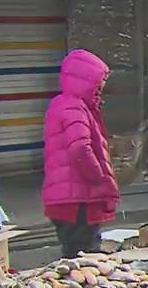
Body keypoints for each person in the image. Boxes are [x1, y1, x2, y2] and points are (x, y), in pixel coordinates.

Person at [42, 49, 121, 257]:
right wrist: (99, 178)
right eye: (101, 80)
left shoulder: (64, 105)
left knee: (76, 252)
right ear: (86, 79)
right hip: (78, 200)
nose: (103, 85)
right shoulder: (74, 108)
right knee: (84, 256)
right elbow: (79, 148)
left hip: (70, 198)